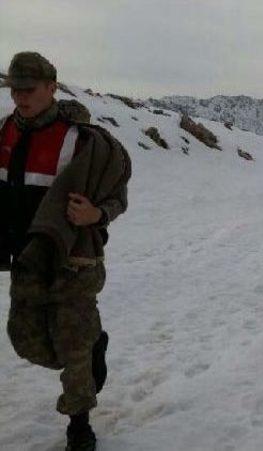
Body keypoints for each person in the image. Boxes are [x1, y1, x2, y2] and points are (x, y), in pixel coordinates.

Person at [1, 52, 131, 451]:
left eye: (29, 89)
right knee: (27, 339)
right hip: (27, 257)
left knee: (73, 346)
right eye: (14, 90)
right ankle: (94, 344)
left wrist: (96, 213)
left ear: (52, 87)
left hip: (74, 259)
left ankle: (79, 422)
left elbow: (117, 198)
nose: (20, 98)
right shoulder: (3, 132)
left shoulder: (83, 141)